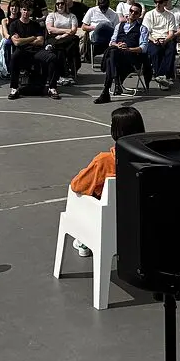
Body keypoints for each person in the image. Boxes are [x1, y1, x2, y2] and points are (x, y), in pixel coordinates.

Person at [68, 106, 147, 257]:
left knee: (86, 193)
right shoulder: (149, 158)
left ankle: (85, 238)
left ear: (116, 130)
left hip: (107, 220)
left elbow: (77, 185)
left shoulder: (105, 161)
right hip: (138, 219)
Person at [94, 3, 149, 104]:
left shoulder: (142, 29)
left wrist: (128, 49)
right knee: (113, 53)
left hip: (131, 58)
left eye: (136, 12)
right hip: (118, 57)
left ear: (139, 15)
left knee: (111, 55)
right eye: (131, 11)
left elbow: (143, 48)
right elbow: (112, 41)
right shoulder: (119, 26)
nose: (133, 14)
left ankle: (107, 92)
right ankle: (115, 84)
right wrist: (117, 45)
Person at [6, 1, 60, 100]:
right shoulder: (14, 25)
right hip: (22, 51)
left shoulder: (36, 25)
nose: (26, 12)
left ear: (31, 12)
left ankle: (52, 88)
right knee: (14, 57)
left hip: (36, 51)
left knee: (52, 57)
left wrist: (23, 40)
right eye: (24, 10)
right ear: (21, 10)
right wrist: (32, 38)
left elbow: (40, 41)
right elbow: (17, 43)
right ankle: (14, 88)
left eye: (28, 10)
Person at [141, 0, 180, 90]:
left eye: (160, 2)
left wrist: (165, 40)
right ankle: (163, 77)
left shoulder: (170, 16)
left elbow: (171, 33)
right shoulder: (149, 15)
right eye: (156, 2)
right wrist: (154, 39)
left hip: (167, 38)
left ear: (165, 2)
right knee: (155, 52)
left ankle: (161, 76)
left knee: (171, 51)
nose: (157, 4)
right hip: (153, 38)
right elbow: (146, 32)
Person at [43, 0, 82, 85]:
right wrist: (65, 31)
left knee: (73, 40)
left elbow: (73, 31)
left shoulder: (72, 16)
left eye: (62, 3)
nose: (60, 5)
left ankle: (65, 73)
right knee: (61, 49)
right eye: (58, 4)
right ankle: (64, 74)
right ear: (55, 5)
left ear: (65, 4)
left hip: (66, 38)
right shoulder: (52, 15)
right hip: (54, 37)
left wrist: (62, 35)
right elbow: (50, 29)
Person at [81, 0, 118, 66]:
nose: (103, 10)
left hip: (108, 37)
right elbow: (83, 27)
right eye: (101, 8)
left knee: (107, 25)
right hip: (96, 36)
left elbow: (116, 29)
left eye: (105, 8)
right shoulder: (92, 11)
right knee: (102, 24)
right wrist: (95, 27)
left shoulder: (114, 14)